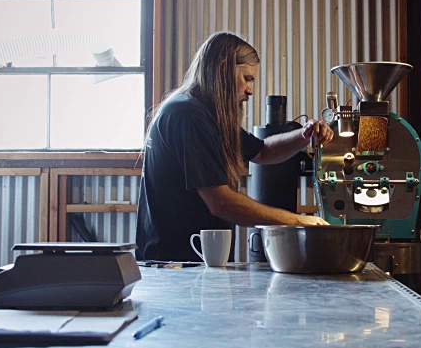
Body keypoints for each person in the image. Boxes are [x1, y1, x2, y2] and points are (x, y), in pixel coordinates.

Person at [135, 31, 333, 261]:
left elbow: (262, 150)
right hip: (175, 264)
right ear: (223, 68)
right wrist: (299, 221)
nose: (251, 90)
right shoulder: (188, 116)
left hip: (192, 261)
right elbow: (222, 203)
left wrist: (304, 135)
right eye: (247, 79)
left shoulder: (205, 115)